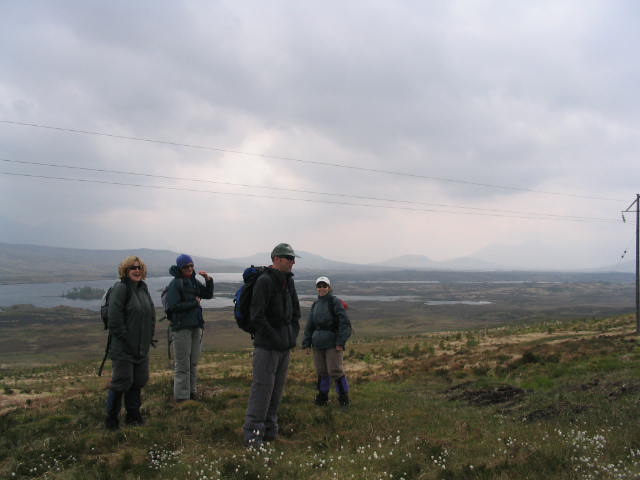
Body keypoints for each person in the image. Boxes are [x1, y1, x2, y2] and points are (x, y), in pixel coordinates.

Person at [243, 243, 301, 447]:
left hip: (284, 347)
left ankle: (270, 434)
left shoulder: (288, 282)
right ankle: (253, 438)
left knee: (276, 392)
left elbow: (296, 313)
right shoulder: (264, 282)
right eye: (289, 258)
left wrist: (291, 336)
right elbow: (257, 317)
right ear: (277, 258)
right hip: (267, 347)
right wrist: (276, 338)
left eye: (293, 258)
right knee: (262, 391)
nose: (293, 262)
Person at [105, 255, 156, 430]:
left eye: (139, 267)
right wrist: (128, 342)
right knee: (122, 382)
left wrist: (147, 338)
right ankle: (111, 419)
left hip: (141, 348)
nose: (136, 270)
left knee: (138, 381)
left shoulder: (143, 288)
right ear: (125, 271)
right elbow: (114, 320)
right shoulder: (121, 289)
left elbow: (149, 315)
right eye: (132, 268)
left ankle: (133, 416)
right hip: (124, 348)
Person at [166, 254, 214, 402]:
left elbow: (208, 294)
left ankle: (192, 394)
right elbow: (174, 306)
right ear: (180, 268)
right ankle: (181, 398)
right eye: (186, 266)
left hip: (196, 326)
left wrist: (209, 281)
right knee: (182, 365)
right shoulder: (176, 284)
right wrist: (194, 303)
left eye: (191, 265)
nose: (189, 268)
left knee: (193, 363)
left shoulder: (193, 281)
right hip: (181, 328)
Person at [302, 276, 352, 407]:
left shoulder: (334, 302)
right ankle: (322, 397)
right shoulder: (316, 304)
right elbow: (310, 325)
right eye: (319, 286)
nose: (321, 288)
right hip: (318, 343)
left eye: (324, 286)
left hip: (332, 343)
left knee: (335, 371)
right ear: (317, 288)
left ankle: (343, 398)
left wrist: (340, 342)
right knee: (322, 371)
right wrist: (306, 343)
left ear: (329, 288)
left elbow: (345, 323)